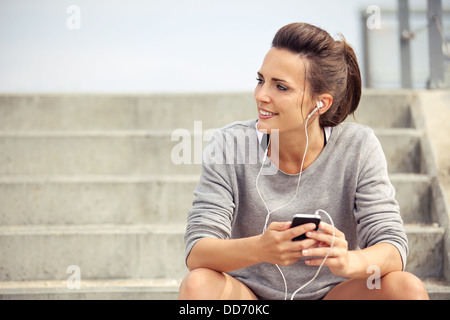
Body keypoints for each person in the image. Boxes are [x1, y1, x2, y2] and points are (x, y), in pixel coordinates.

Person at [179, 22, 429, 300]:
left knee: (406, 289)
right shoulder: (229, 145)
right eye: (261, 80)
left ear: (320, 103)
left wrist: (349, 261)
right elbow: (197, 251)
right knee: (198, 284)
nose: (261, 95)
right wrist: (261, 248)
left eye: (281, 87)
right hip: (248, 298)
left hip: (332, 294)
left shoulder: (358, 146)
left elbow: (392, 247)